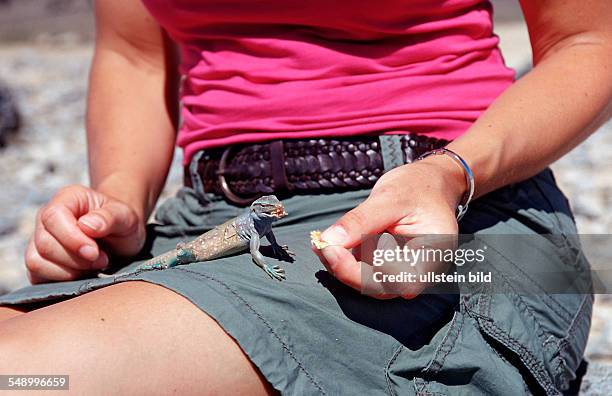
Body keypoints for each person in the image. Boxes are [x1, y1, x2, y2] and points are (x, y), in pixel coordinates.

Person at [0, 0, 609, 394]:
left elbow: (591, 43)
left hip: (447, 221)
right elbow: (133, 54)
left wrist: (447, 174)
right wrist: (119, 199)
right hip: (207, 216)